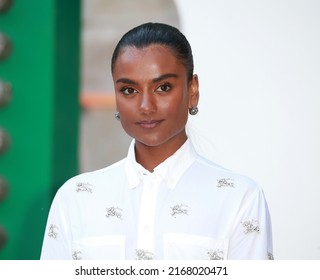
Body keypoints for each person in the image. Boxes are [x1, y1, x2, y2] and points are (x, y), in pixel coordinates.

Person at [40, 22, 273, 260]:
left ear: (192, 91)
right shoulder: (76, 198)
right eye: (129, 90)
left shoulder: (239, 198)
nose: (146, 107)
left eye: (163, 87)